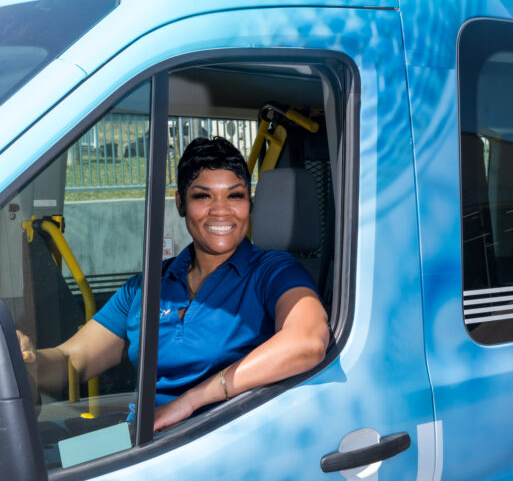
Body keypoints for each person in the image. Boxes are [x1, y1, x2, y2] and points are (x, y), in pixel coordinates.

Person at [17, 137, 329, 431]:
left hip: (214, 443)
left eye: (235, 195)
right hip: (140, 441)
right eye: (202, 196)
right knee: (56, 459)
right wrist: (26, 359)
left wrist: (190, 402)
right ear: (181, 203)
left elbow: (308, 342)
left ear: (250, 203)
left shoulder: (273, 272)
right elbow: (73, 361)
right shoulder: (147, 286)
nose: (221, 210)